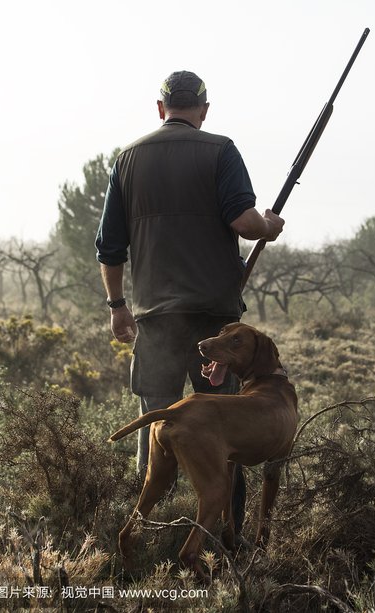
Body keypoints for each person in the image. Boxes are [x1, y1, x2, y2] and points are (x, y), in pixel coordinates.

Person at [96, 70, 284, 535]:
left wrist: (117, 305)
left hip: (156, 318)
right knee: (227, 433)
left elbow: (109, 247)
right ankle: (228, 540)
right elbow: (243, 222)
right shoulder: (221, 149)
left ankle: (146, 533)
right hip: (216, 327)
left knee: (154, 426)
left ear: (161, 109)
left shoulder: (126, 160)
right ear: (202, 110)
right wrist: (269, 226)